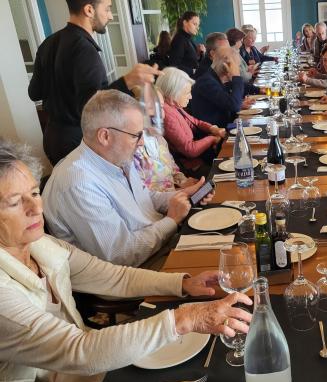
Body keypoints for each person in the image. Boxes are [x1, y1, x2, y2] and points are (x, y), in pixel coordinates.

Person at [0, 138, 252, 382]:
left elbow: (114, 276)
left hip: (89, 371)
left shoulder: (40, 245)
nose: (36, 208)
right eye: (15, 202)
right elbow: (79, 350)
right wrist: (185, 318)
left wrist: (182, 283)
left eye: (34, 193)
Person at [42, 90, 213, 269]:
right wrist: (171, 221)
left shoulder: (117, 156)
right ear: (105, 136)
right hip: (136, 270)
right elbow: (120, 256)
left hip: (158, 245)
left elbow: (146, 199)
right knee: (218, 265)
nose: (141, 143)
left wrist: (183, 195)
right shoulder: (78, 183)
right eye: (135, 135)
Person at [28, 0, 161, 165]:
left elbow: (34, 93)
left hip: (52, 138)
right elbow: (93, 108)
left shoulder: (48, 43)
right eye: (107, 9)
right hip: (76, 143)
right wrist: (128, 81)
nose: (111, 16)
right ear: (89, 10)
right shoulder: (84, 49)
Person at [156, 67, 225, 177]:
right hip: (191, 168)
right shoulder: (167, 115)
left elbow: (195, 122)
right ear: (174, 93)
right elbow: (190, 150)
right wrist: (212, 139)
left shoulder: (174, 106)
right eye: (187, 93)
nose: (191, 96)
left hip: (199, 161)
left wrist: (213, 129)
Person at [130, 86, 198, 191]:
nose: (160, 113)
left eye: (161, 107)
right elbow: (144, 195)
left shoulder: (159, 138)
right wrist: (183, 192)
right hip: (161, 205)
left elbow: (173, 171)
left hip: (177, 198)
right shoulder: (132, 149)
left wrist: (185, 183)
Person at [188, 47, 257, 128]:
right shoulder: (206, 82)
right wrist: (236, 76)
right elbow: (234, 105)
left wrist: (240, 103)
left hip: (225, 126)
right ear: (227, 66)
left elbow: (229, 103)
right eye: (237, 66)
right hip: (216, 134)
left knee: (256, 121)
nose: (238, 69)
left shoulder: (216, 78)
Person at [168, 11, 205, 78]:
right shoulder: (179, 40)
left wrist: (201, 53)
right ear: (185, 23)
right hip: (184, 83)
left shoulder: (188, 38)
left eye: (198, 25)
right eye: (194, 24)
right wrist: (193, 71)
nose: (197, 28)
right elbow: (174, 65)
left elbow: (193, 63)